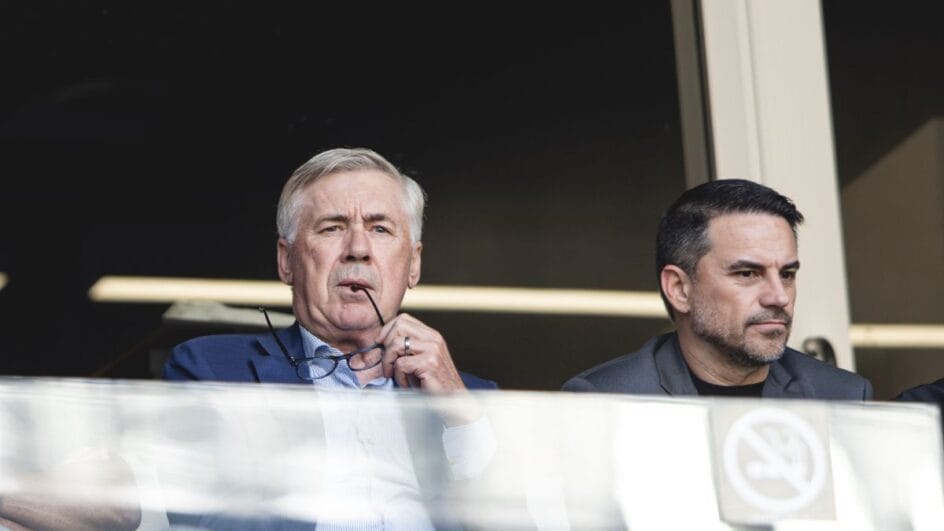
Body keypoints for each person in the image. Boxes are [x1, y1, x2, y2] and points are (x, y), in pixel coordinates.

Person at [163, 147, 499, 529]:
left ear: (414, 264)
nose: (358, 250)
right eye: (332, 228)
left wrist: (463, 418)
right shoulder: (213, 371)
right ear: (287, 261)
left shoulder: (471, 401)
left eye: (380, 229)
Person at [562, 179, 872, 399]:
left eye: (787, 274)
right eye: (748, 273)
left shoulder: (841, 396)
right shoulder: (605, 400)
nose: (779, 297)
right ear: (679, 289)